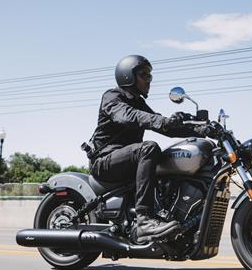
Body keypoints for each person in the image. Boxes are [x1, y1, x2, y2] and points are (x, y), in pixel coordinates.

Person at [84, 55, 208, 241]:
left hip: (127, 163)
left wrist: (199, 129)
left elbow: (163, 127)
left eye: (150, 76)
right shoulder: (112, 97)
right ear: (128, 76)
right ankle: (144, 220)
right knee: (149, 148)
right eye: (144, 75)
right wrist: (162, 121)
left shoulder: (139, 103)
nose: (149, 80)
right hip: (104, 161)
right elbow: (128, 115)